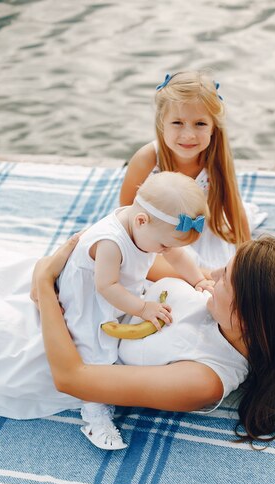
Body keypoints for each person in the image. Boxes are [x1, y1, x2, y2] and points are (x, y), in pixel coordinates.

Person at [0, 234, 275, 445]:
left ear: (246, 318)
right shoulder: (217, 306)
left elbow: (72, 378)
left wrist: (44, 284)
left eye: (224, 279)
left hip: (48, 344)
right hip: (78, 297)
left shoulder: (204, 379)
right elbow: (142, 263)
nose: (212, 275)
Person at [56, 170, 213, 450]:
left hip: (123, 290)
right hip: (90, 301)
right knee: (95, 348)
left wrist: (198, 279)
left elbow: (176, 253)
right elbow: (106, 286)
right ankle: (94, 414)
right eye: (163, 245)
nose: (164, 251)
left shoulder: (150, 229)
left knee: (133, 329)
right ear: (141, 221)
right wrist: (142, 308)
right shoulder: (110, 242)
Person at [120, 70, 267, 274]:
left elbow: (233, 206)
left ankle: (207, 276)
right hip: (155, 233)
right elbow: (125, 211)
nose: (188, 135)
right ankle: (202, 277)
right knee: (145, 270)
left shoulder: (217, 159)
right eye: (177, 122)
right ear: (162, 123)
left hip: (199, 231)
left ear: (213, 127)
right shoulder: (147, 159)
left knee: (230, 268)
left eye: (200, 124)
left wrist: (246, 255)